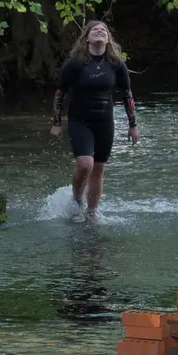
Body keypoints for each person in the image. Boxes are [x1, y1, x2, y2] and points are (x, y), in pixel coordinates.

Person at [49, 21, 138, 221]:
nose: (100, 31)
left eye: (104, 30)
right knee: (85, 164)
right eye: (95, 29)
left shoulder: (116, 64)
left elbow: (127, 95)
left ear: (108, 40)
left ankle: (92, 212)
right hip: (80, 121)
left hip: (105, 123)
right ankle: (76, 202)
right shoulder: (75, 63)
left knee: (98, 169)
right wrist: (56, 123)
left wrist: (133, 125)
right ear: (87, 38)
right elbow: (60, 93)